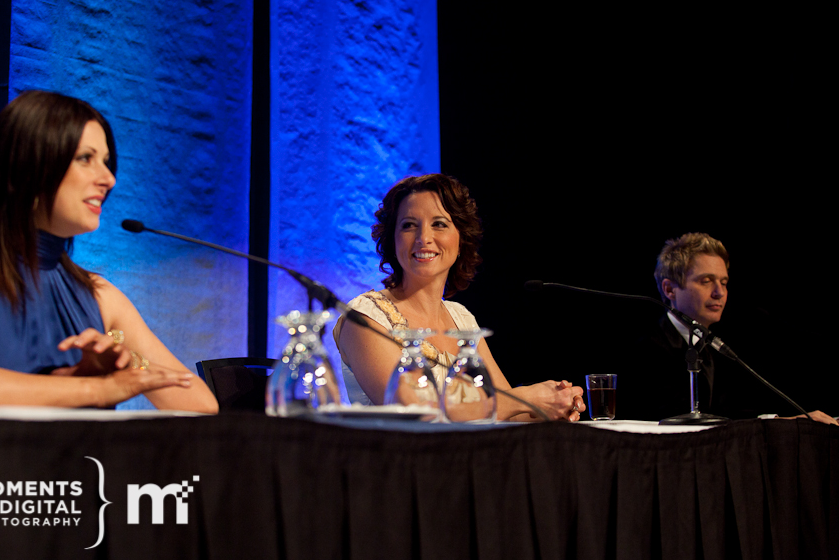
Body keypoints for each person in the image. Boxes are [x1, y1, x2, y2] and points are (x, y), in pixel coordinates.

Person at [0, 90, 218, 412]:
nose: (108, 179)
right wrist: (97, 389)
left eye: (106, 162)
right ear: (24, 169)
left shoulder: (100, 294)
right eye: (85, 159)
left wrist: (131, 366)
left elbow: (199, 403)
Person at [332, 174, 585, 422]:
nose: (424, 238)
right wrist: (528, 398)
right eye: (409, 225)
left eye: (439, 224)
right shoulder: (364, 317)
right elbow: (417, 414)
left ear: (461, 237)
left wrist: (555, 405)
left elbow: (508, 413)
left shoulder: (461, 318)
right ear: (392, 239)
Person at [617, 232, 835, 424]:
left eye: (724, 282)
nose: (719, 293)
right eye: (706, 281)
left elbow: (732, 411)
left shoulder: (717, 345)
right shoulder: (646, 349)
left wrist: (787, 422)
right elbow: (676, 419)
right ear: (669, 289)